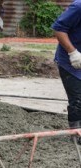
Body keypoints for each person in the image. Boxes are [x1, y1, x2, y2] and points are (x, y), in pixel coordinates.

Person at [52, 1, 81, 143]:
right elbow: (59, 28)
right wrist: (72, 52)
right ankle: (76, 134)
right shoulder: (79, 6)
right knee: (78, 99)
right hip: (71, 61)